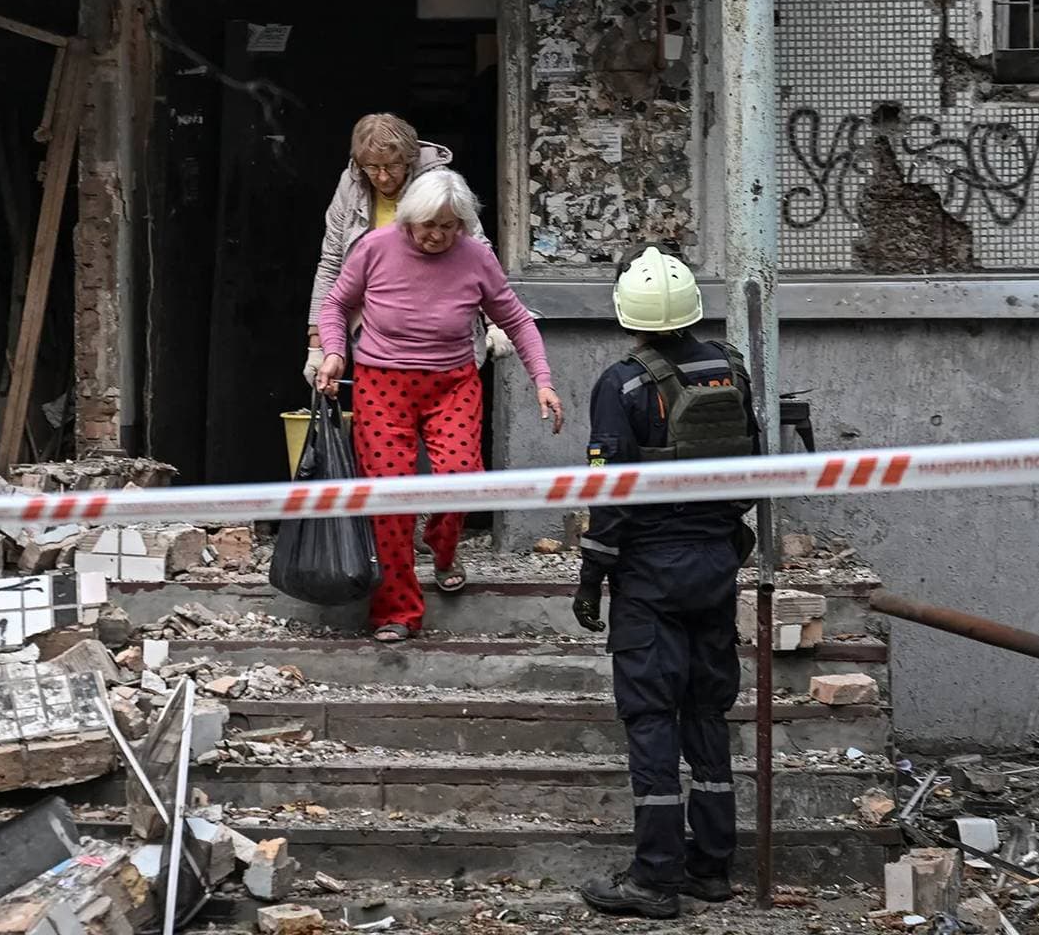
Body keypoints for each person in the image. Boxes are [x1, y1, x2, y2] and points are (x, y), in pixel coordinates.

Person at [572, 245, 763, 920]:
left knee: (652, 719)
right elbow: (757, 468)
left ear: (628, 315)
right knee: (706, 714)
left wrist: (592, 574)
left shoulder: (621, 384)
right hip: (716, 564)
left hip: (651, 573)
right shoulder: (730, 371)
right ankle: (712, 868)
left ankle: (654, 879)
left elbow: (611, 492)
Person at [315, 170, 563, 641]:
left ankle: (443, 547)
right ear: (409, 219)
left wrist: (543, 381)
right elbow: (334, 305)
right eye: (429, 225)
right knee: (389, 498)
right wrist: (332, 352)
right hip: (381, 383)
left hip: (452, 383)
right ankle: (396, 611)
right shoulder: (375, 248)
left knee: (462, 478)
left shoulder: (476, 257)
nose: (437, 235)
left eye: (449, 226)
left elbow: (516, 319)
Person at [304, 113, 512, 387]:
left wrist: (497, 323)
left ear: (409, 158)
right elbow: (332, 262)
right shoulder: (351, 184)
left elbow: (477, 249)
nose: (381, 176)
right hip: (378, 330)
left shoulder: (440, 182)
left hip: (441, 323)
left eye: (391, 166)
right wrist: (317, 345)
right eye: (371, 167)